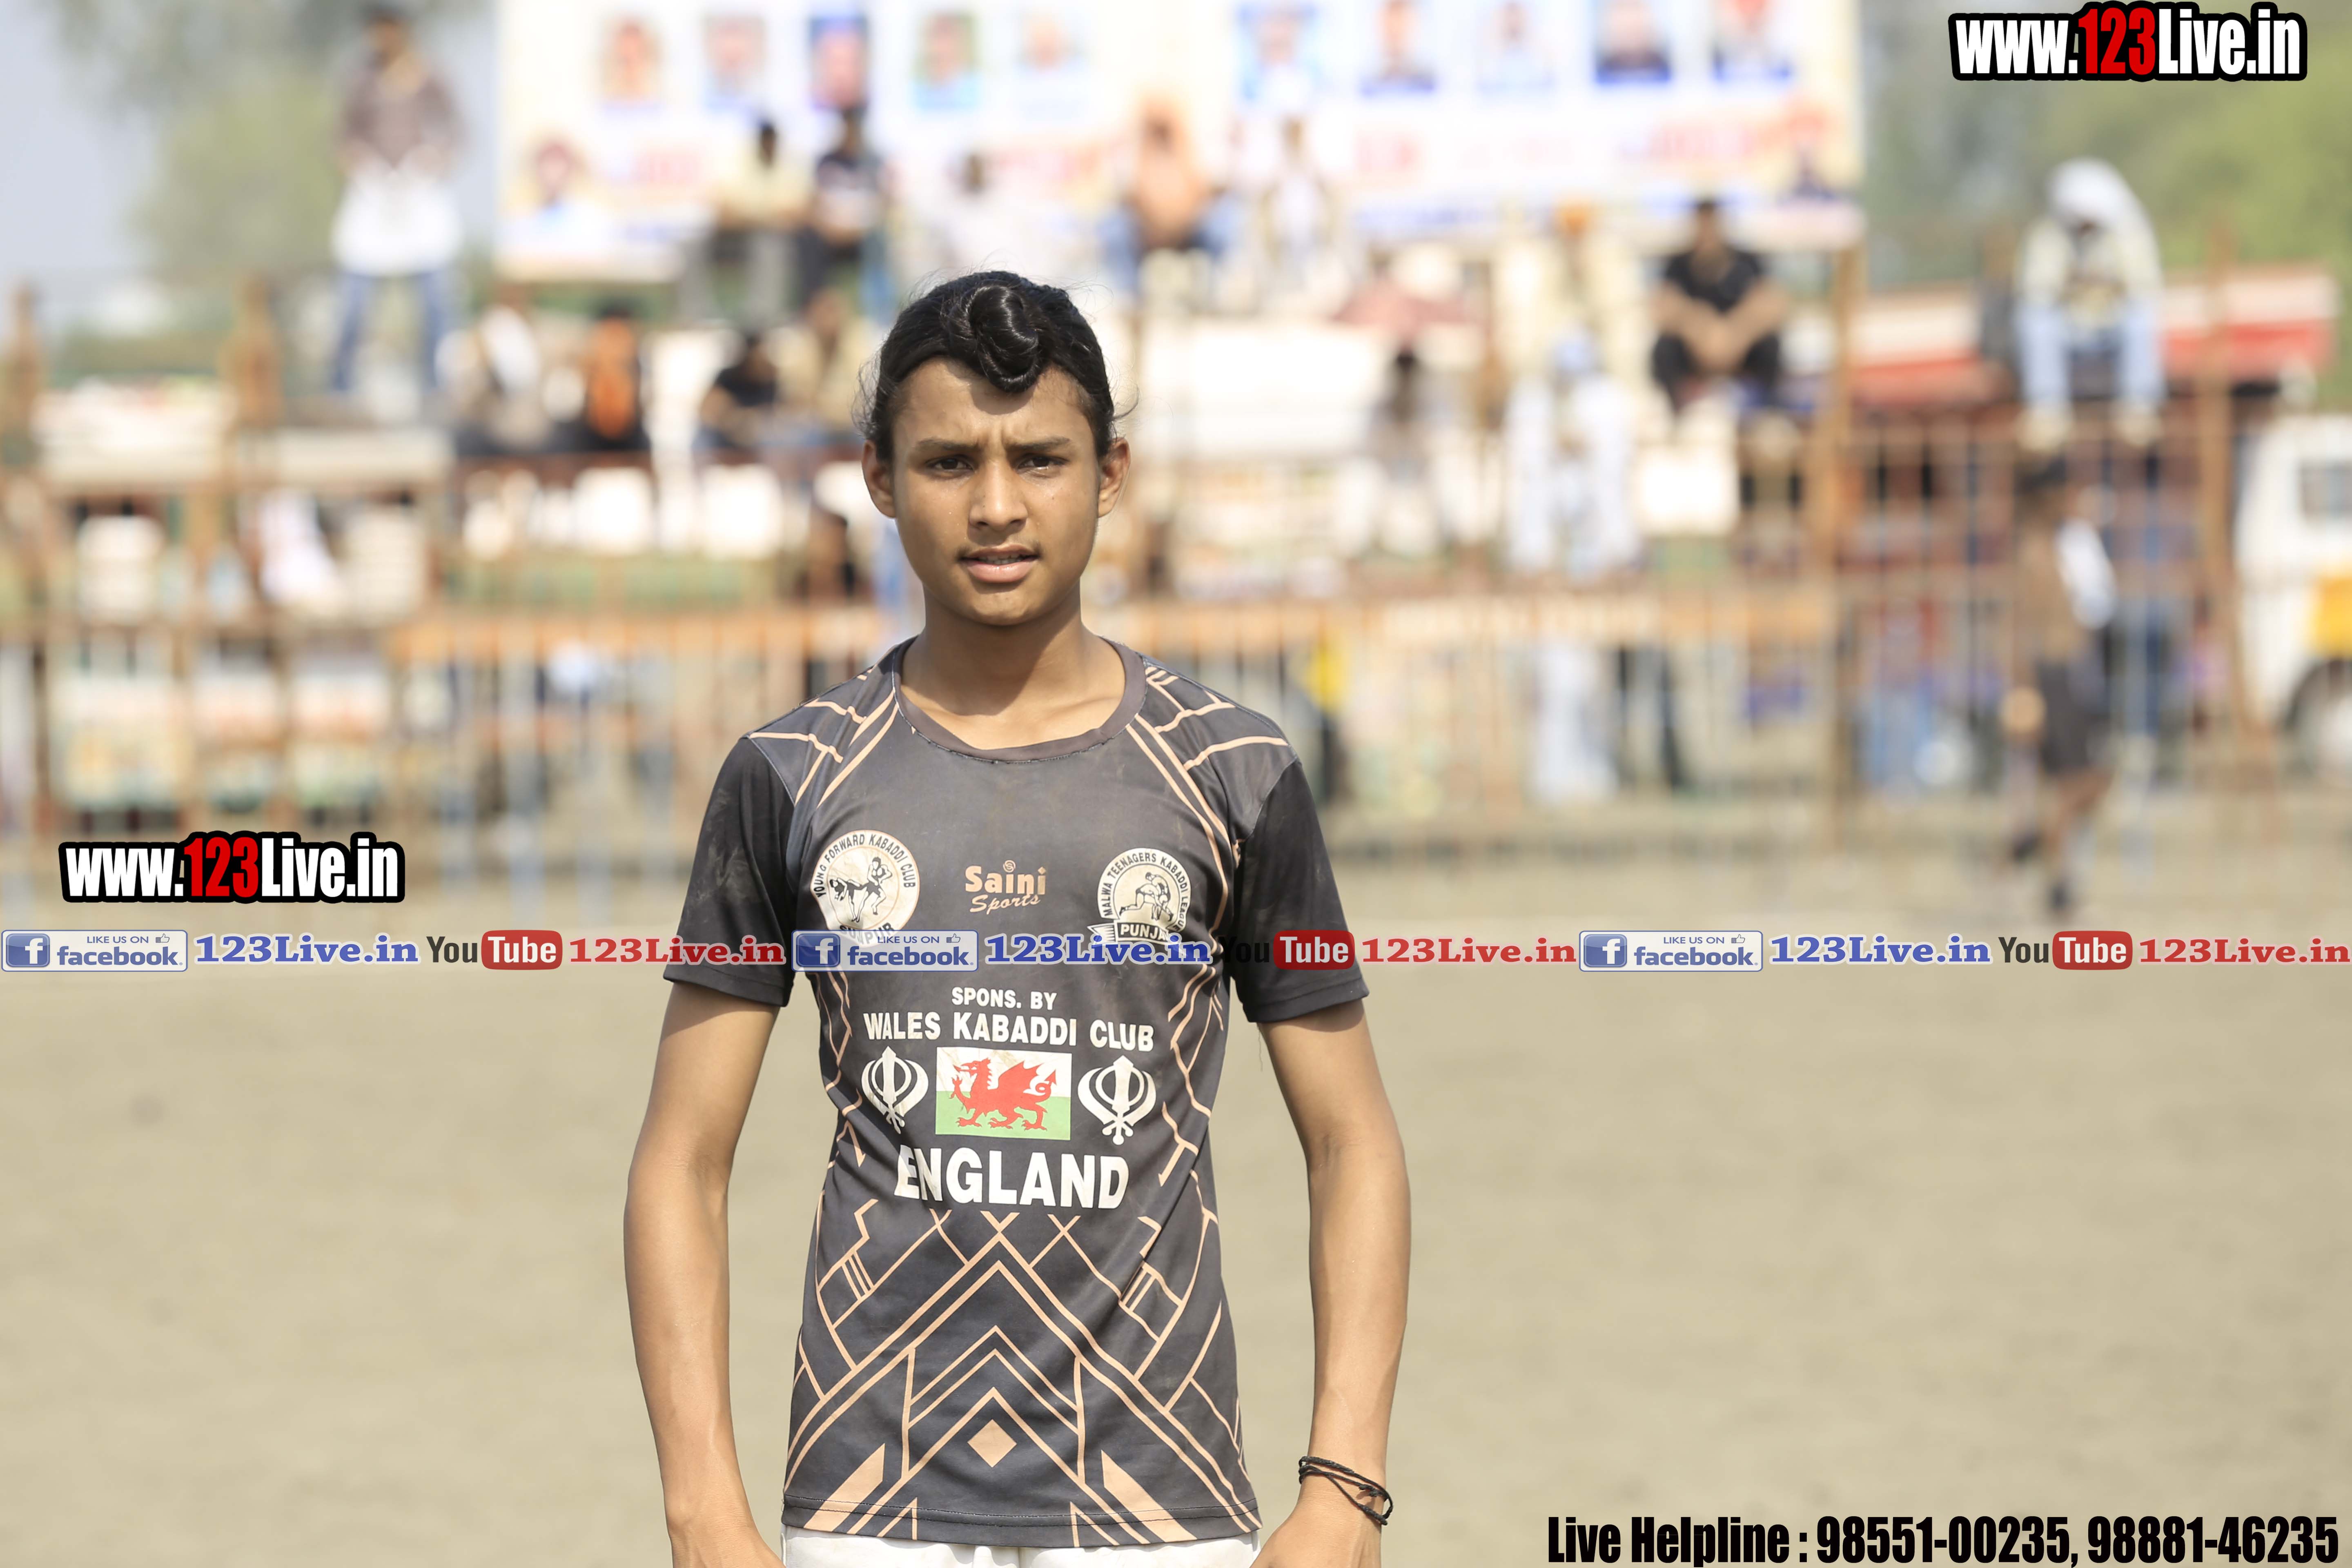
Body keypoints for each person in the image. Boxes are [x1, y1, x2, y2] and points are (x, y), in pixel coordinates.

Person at [626, 270, 1409, 1567]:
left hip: (1160, 1504)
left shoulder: (1236, 772)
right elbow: (680, 1160)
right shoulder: (789, 775)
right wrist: (703, 1510)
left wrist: (1347, 1485)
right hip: (867, 1510)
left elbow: (1354, 1137)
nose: (996, 505)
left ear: (1110, 475)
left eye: (1039, 459)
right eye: (949, 462)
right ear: (880, 478)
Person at [330, 4, 463, 398]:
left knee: (436, 302)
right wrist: (364, 168)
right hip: (372, 201)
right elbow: (343, 138)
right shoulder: (360, 78)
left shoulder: (431, 76)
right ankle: (340, 390)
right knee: (353, 304)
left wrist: (429, 164)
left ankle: (437, 390)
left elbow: (456, 132)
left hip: (419, 200)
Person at [2006, 471, 2118, 916]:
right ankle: (2047, 863)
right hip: (2055, 676)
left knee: (2076, 783)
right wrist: (2024, 688)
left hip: (2068, 673)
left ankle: (2038, 848)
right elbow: (2021, 626)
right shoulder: (2035, 552)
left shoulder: (2059, 546)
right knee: (2078, 780)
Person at [2015, 158, 2165, 452]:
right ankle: (2048, 413)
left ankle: (2139, 409)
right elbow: (2035, 290)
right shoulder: (2049, 236)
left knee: (2141, 316)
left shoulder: (2127, 233)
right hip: (2069, 332)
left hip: (2111, 329)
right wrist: (2070, 285)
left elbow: (2144, 285)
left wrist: (2108, 286)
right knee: (2036, 320)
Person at [1649, 197, 1787, 414]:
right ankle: (1674, 413)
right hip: (1695, 349)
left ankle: (1768, 413)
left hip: (1740, 347)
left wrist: (1734, 334)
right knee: (1664, 348)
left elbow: (1772, 303)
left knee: (1771, 345)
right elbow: (1663, 305)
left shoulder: (1748, 261)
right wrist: (1701, 329)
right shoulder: (1678, 264)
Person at [684, 119, 813, 324]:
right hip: (735, 237)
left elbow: (799, 214)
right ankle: (696, 315)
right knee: (692, 246)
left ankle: (763, 318)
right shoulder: (738, 163)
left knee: (769, 245)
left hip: (773, 239)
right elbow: (724, 213)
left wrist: (754, 217)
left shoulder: (791, 167)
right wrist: (764, 218)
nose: (768, 145)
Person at [805, 108, 891, 319]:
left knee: (877, 241)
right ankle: (814, 309)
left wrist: (858, 230)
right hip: (830, 233)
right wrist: (829, 229)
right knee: (807, 239)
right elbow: (813, 204)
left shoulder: (874, 162)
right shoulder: (825, 162)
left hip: (864, 232)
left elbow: (884, 206)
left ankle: (878, 314)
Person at [561, 302, 651, 454]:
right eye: (600, 371)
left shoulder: (642, 450)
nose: (611, 388)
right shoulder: (566, 449)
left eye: (621, 366)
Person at [697, 330, 782, 455]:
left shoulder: (770, 380)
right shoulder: (728, 376)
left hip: (757, 433)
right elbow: (707, 407)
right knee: (704, 437)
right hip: (725, 429)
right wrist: (731, 418)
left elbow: (774, 414)